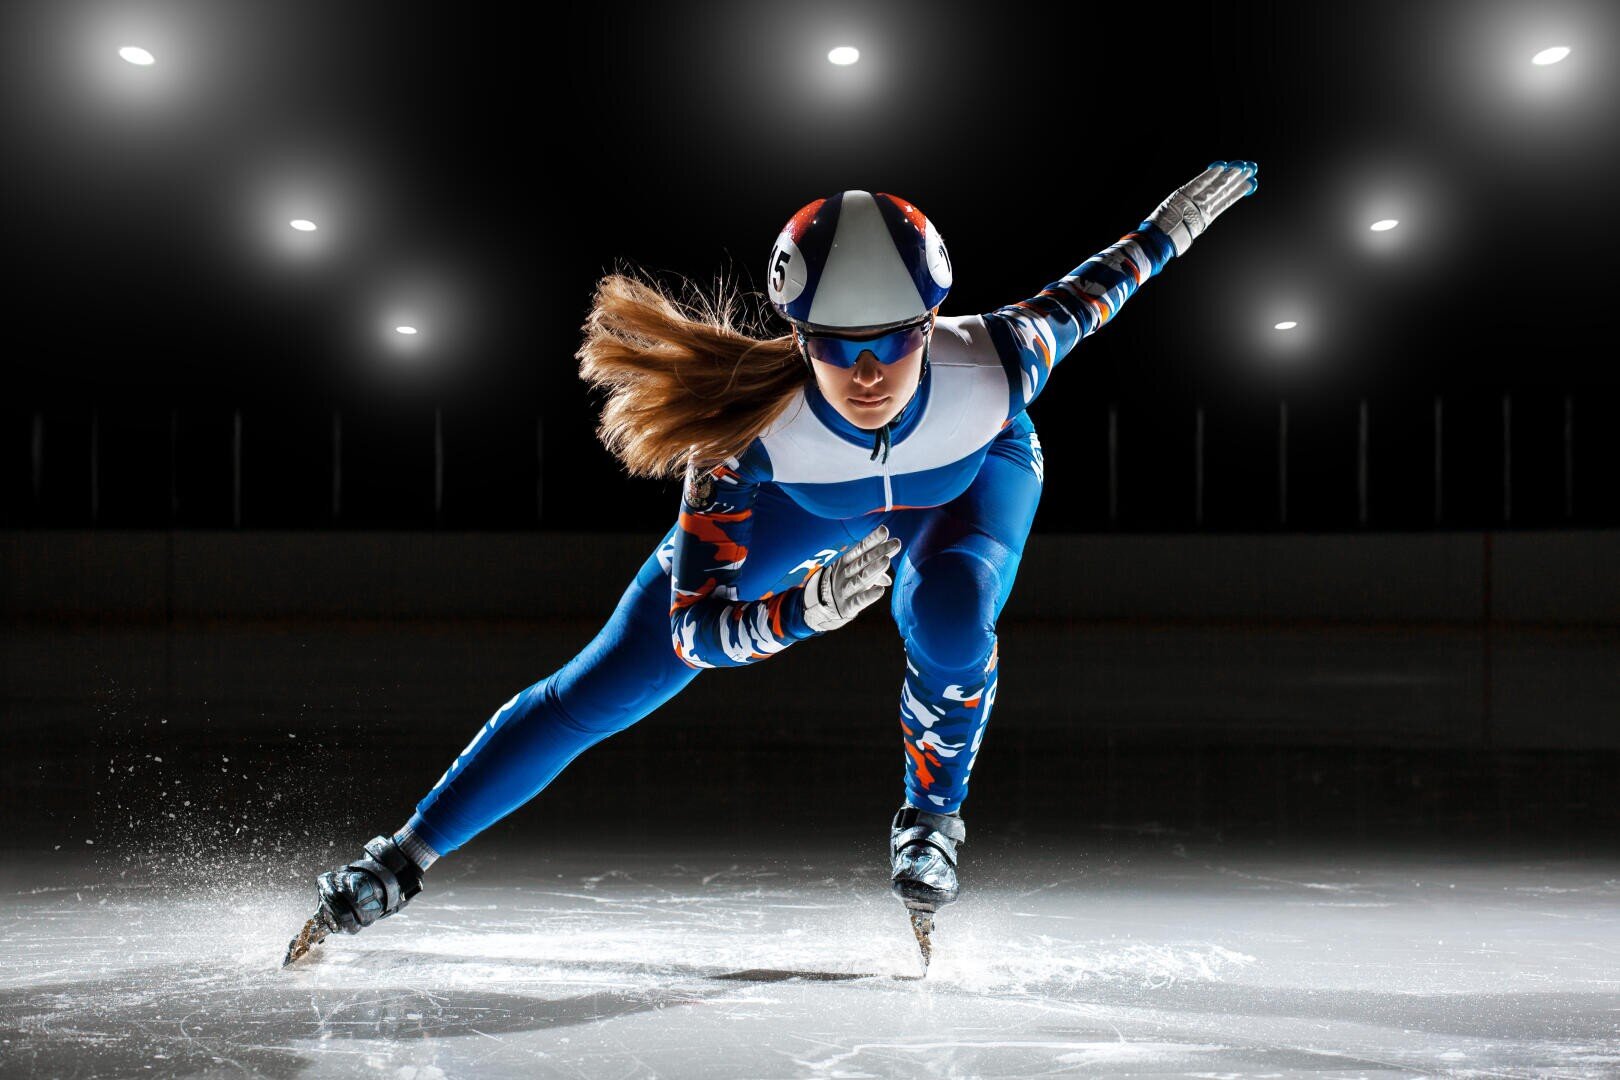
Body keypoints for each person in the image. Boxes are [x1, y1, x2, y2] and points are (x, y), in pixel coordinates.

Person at [284, 162, 1259, 966]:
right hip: (800, 505)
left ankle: (932, 816)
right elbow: (690, 629)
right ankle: (400, 858)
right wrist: (800, 611)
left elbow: (1107, 283)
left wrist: (1170, 227)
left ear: (933, 322)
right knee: (607, 684)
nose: (870, 374)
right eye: (841, 348)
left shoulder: (1005, 357)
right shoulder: (744, 441)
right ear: (798, 337)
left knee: (954, 610)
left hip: (971, 478)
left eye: (896, 341)